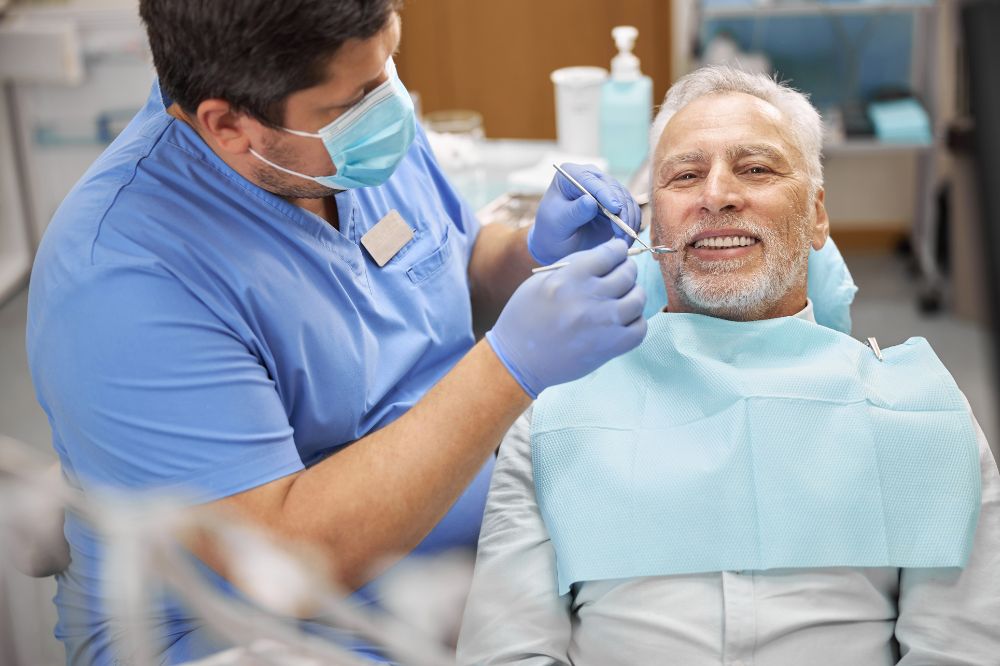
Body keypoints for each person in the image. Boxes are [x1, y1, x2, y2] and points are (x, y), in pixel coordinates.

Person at [25, 1, 650, 663]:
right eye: (356, 99)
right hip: (255, 636)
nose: (391, 107)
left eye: (389, 67)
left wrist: (528, 255)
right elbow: (285, 564)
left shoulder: (348, 137)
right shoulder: (123, 277)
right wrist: (508, 368)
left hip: (452, 572)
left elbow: (445, 262)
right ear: (229, 125)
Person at [457, 66, 1000, 665]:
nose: (716, 195)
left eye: (756, 169)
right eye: (686, 175)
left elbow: (958, 652)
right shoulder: (556, 421)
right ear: (651, 225)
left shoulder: (920, 416)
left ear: (818, 216)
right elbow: (505, 653)